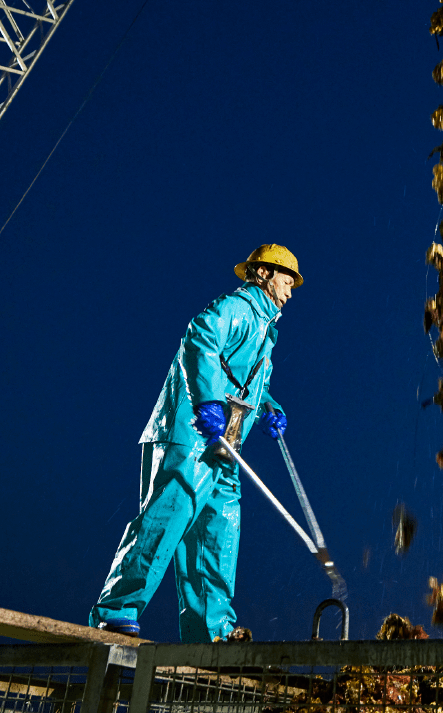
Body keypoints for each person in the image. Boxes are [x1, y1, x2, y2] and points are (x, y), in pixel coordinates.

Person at [89, 245, 302, 641]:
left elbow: (251, 382)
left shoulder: (266, 330)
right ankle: (116, 609)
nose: (290, 293)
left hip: (225, 446)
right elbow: (200, 340)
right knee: (167, 517)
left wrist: (268, 405)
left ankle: (212, 632)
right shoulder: (239, 308)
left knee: (218, 534)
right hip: (190, 435)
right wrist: (205, 402)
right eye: (287, 281)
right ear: (263, 275)